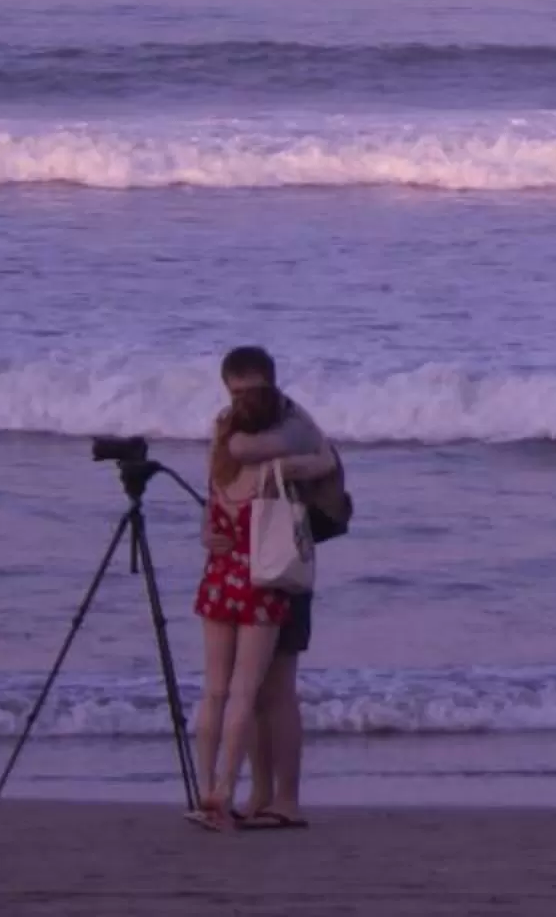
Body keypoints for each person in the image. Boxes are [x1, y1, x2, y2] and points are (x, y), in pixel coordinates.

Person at [210, 345, 343, 830]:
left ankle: (287, 798)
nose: (244, 400)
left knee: (279, 688)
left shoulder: (293, 425)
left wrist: (260, 460)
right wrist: (210, 533)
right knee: (253, 691)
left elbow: (320, 461)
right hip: (243, 567)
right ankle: (260, 792)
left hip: (285, 565)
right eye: (236, 391)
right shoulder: (230, 424)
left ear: (271, 384)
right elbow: (220, 486)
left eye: (253, 389)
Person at [185, 385, 290, 830]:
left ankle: (203, 786)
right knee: (244, 694)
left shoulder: (219, 466)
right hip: (259, 582)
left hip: (218, 577)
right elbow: (322, 457)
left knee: (214, 691)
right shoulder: (274, 469)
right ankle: (226, 791)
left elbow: (210, 522)